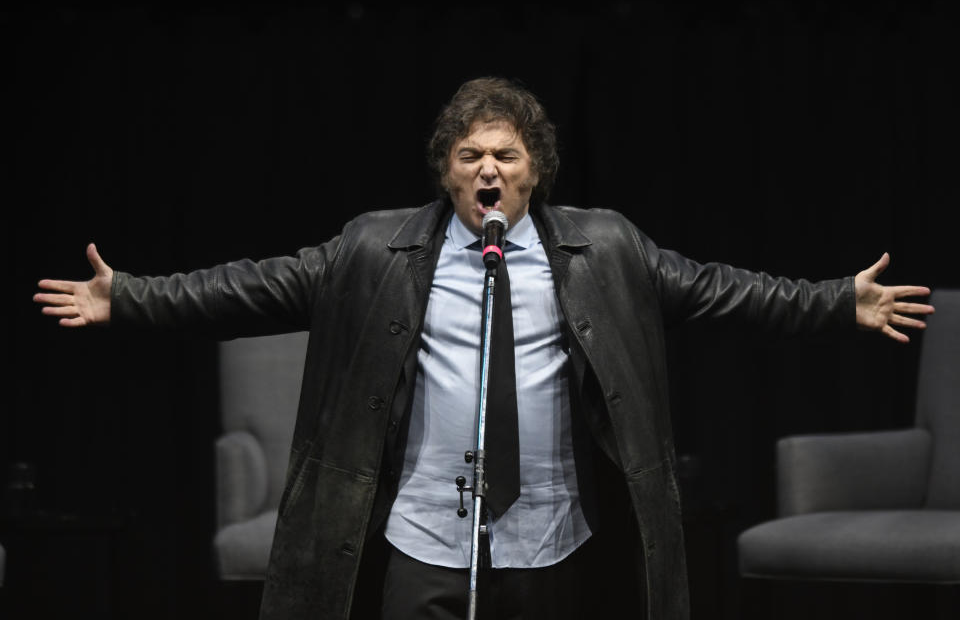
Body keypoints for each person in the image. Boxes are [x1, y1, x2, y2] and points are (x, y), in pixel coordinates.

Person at [35, 77, 933, 620]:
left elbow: (726, 289)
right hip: (424, 535)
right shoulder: (372, 248)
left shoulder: (606, 246)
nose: (488, 171)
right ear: (446, 170)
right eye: (469, 155)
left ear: (534, 166)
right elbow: (249, 284)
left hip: (552, 535)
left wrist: (831, 302)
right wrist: (133, 298)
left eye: (504, 153)